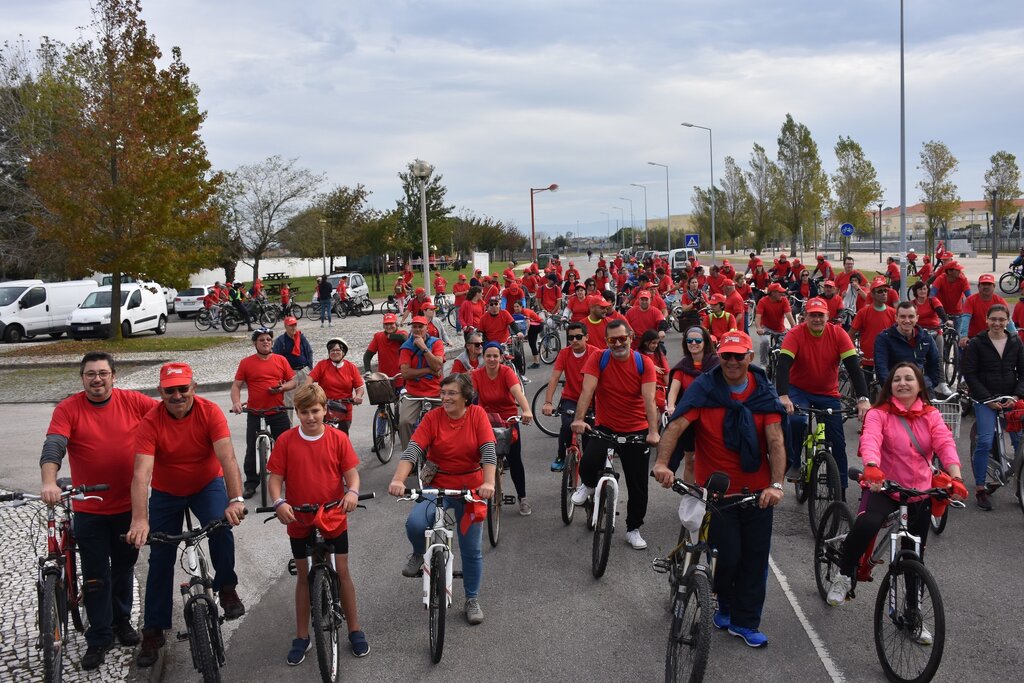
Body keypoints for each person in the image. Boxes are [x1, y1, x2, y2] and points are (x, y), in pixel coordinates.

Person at [653, 330, 787, 648]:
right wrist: (662, 464)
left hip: (756, 492)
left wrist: (776, 485)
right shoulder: (705, 388)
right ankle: (724, 603)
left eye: (739, 356)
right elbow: (676, 426)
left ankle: (745, 622)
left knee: (754, 560)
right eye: (726, 355)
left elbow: (776, 440)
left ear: (750, 358)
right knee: (727, 558)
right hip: (717, 493)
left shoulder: (762, 392)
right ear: (720, 356)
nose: (732, 362)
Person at [127, 362, 247, 667]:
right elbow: (141, 474)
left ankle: (227, 588)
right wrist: (139, 519)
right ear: (160, 392)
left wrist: (235, 500)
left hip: (206, 485)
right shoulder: (150, 422)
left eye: (183, 388)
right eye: (170, 390)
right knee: (160, 554)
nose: (177, 395)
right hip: (167, 492)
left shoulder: (210, 412)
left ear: (194, 387)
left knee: (221, 527)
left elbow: (228, 458)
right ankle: (154, 629)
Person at [39, 352, 155, 669]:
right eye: (90, 374)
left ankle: (121, 620)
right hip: (89, 508)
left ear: (114, 376)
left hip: (128, 505)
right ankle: (100, 636)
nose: (97, 379)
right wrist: (49, 481)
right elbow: (54, 444)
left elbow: (168, 418)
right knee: (95, 575)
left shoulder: (134, 402)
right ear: (82, 378)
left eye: (103, 373)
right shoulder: (68, 408)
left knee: (123, 567)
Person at [825, 362, 965, 612]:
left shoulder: (931, 415)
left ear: (919, 386)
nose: (902, 383)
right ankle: (844, 575)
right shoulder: (878, 414)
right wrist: (871, 465)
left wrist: (956, 477)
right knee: (867, 524)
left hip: (919, 492)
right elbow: (871, 438)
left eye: (909, 378)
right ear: (890, 386)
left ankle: (913, 612)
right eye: (897, 379)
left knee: (914, 555)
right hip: (884, 487)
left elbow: (945, 443)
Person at [266, 383, 368, 663]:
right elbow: (275, 479)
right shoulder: (286, 440)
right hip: (298, 516)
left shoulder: (337, 438)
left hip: (333, 514)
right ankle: (302, 636)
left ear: (325, 410)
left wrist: (352, 492)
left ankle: (355, 630)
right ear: (296, 412)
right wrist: (279, 502)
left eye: (315, 411)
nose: (310, 417)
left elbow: (352, 475)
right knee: (303, 577)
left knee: (342, 571)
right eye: (304, 412)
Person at [388, 373, 496, 625]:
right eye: (443, 392)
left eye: (452, 393)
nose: (445, 398)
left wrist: (489, 483)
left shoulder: (477, 415)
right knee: (416, 524)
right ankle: (418, 552)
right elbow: (414, 448)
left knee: (471, 548)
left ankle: (471, 599)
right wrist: (398, 479)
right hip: (438, 483)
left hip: (472, 488)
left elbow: (488, 450)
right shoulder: (433, 417)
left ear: (466, 396)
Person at [570, 320, 660, 550]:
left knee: (638, 485)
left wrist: (653, 431)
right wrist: (579, 419)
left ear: (630, 337)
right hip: (606, 426)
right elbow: (587, 390)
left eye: (622, 338)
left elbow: (649, 400)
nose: (618, 343)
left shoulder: (644, 363)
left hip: (636, 429)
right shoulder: (599, 358)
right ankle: (589, 485)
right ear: (606, 341)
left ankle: (633, 529)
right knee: (589, 462)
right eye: (612, 340)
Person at [776, 298, 871, 488]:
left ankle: (840, 490)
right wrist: (784, 396)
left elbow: (853, 368)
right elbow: (783, 365)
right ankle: (795, 462)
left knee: (837, 441)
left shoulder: (838, 334)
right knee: (796, 421)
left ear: (827, 316)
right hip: (799, 389)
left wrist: (863, 398)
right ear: (805, 316)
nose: (817, 319)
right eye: (813, 315)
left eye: (820, 315)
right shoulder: (795, 334)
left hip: (828, 393)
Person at [960, 304, 1024, 510]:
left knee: (1019, 442)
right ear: (987, 319)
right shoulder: (977, 343)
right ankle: (980, 488)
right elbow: (970, 373)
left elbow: (1023, 372)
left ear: (1007, 321)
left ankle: (1019, 484)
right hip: (985, 399)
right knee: (985, 441)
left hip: (1010, 398)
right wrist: (986, 399)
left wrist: (1016, 395)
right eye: (993, 319)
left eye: (1002, 319)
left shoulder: (1015, 341)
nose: (997, 323)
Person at [231, 328, 296, 499]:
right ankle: (251, 483)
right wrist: (236, 402)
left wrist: (282, 388)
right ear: (255, 343)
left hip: (278, 410)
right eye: (261, 340)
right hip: (255, 411)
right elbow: (236, 386)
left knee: (286, 446)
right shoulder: (246, 362)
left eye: (268, 339)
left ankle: (290, 479)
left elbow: (293, 381)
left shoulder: (281, 360)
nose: (266, 342)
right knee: (251, 448)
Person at [472, 343, 535, 515]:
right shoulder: (477, 375)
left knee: (514, 460)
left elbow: (517, 392)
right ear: (483, 357)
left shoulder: (507, 372)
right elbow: (470, 396)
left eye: (495, 356)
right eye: (488, 356)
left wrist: (526, 410)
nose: (492, 359)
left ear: (501, 357)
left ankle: (522, 498)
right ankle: (477, 495)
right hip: (485, 420)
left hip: (508, 420)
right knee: (478, 459)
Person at [542, 322, 599, 471]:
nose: (574, 340)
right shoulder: (564, 353)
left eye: (578, 337)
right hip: (571, 399)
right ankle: (561, 456)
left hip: (592, 402)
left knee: (589, 436)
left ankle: (588, 470)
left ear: (587, 337)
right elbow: (554, 378)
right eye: (571, 337)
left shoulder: (595, 353)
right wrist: (548, 402)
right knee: (567, 427)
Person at [665, 326, 721, 473]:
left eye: (697, 340)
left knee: (713, 459)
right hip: (689, 418)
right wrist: (671, 406)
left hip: (711, 418)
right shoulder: (683, 366)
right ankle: (690, 488)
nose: (693, 343)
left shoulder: (716, 364)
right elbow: (674, 390)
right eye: (689, 340)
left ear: (705, 342)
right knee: (690, 459)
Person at [873, 301, 944, 394]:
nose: (907, 320)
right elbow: (881, 367)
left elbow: (935, 363)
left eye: (911, 316)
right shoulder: (884, 338)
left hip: (922, 388)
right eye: (903, 317)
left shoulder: (926, 337)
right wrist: (890, 389)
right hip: (895, 389)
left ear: (917, 318)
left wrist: (928, 384)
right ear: (896, 318)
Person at [397, 316, 445, 450]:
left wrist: (424, 348)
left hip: (435, 392)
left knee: (444, 423)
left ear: (427, 328)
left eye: (420, 327)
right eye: (414, 327)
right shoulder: (406, 347)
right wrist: (428, 370)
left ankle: (441, 454)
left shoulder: (436, 343)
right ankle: (409, 456)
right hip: (413, 393)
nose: (417, 329)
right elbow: (405, 373)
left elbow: (437, 366)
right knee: (404, 422)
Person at [305, 338, 365, 433]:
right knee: (322, 436)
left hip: (344, 409)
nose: (335, 352)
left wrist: (358, 396)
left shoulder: (351, 367)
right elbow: (309, 380)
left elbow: (359, 387)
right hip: (325, 407)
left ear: (343, 352)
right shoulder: (322, 365)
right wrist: (311, 394)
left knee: (342, 436)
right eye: (332, 350)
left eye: (338, 350)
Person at [850, 277, 897, 386]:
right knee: (865, 387)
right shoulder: (863, 312)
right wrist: (853, 352)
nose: (884, 293)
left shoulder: (893, 313)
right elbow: (851, 333)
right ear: (872, 294)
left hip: (886, 356)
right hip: (867, 357)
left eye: (885, 291)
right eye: (880, 291)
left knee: (887, 387)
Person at [959, 273, 1013, 345]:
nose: (986, 287)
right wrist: (964, 336)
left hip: (994, 336)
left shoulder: (1000, 301)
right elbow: (966, 318)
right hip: (974, 336)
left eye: (989, 284)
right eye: (984, 284)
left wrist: (1014, 335)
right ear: (978, 286)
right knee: (963, 349)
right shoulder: (970, 300)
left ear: (994, 286)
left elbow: (1008, 319)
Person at [272, 316, 313, 409]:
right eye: (290, 325)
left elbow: (309, 351)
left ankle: (305, 418)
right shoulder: (281, 340)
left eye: (295, 325)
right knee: (288, 400)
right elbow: (276, 357)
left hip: (303, 371)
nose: (293, 327)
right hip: (290, 373)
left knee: (306, 399)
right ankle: (288, 419)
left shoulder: (301, 337)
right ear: (285, 326)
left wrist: (309, 368)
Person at [754, 283, 796, 364]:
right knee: (765, 342)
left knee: (785, 347)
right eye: (779, 292)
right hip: (766, 328)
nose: (782, 294)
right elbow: (758, 317)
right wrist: (759, 328)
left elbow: (789, 315)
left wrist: (794, 328)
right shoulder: (763, 301)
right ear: (773, 293)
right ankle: (764, 364)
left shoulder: (784, 300)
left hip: (780, 329)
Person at [363, 313, 408, 384]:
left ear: (396, 324)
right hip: (383, 378)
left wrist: (390, 336)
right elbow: (367, 355)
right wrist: (368, 371)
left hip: (400, 377)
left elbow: (404, 338)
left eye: (391, 324)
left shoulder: (402, 333)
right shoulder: (378, 337)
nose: (389, 326)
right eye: (386, 324)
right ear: (383, 326)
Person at [638, 329, 670, 415]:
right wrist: (651, 366)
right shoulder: (637, 355)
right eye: (653, 343)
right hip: (642, 389)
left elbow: (665, 373)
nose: (655, 345)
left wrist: (670, 390)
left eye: (657, 343)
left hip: (659, 390)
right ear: (645, 342)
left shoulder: (659, 355)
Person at [510, 300, 544, 368]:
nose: (516, 308)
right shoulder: (516, 313)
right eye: (514, 307)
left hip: (538, 325)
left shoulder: (525, 311)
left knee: (532, 343)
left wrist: (526, 334)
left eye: (517, 306)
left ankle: (536, 362)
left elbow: (527, 323)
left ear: (521, 307)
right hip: (532, 325)